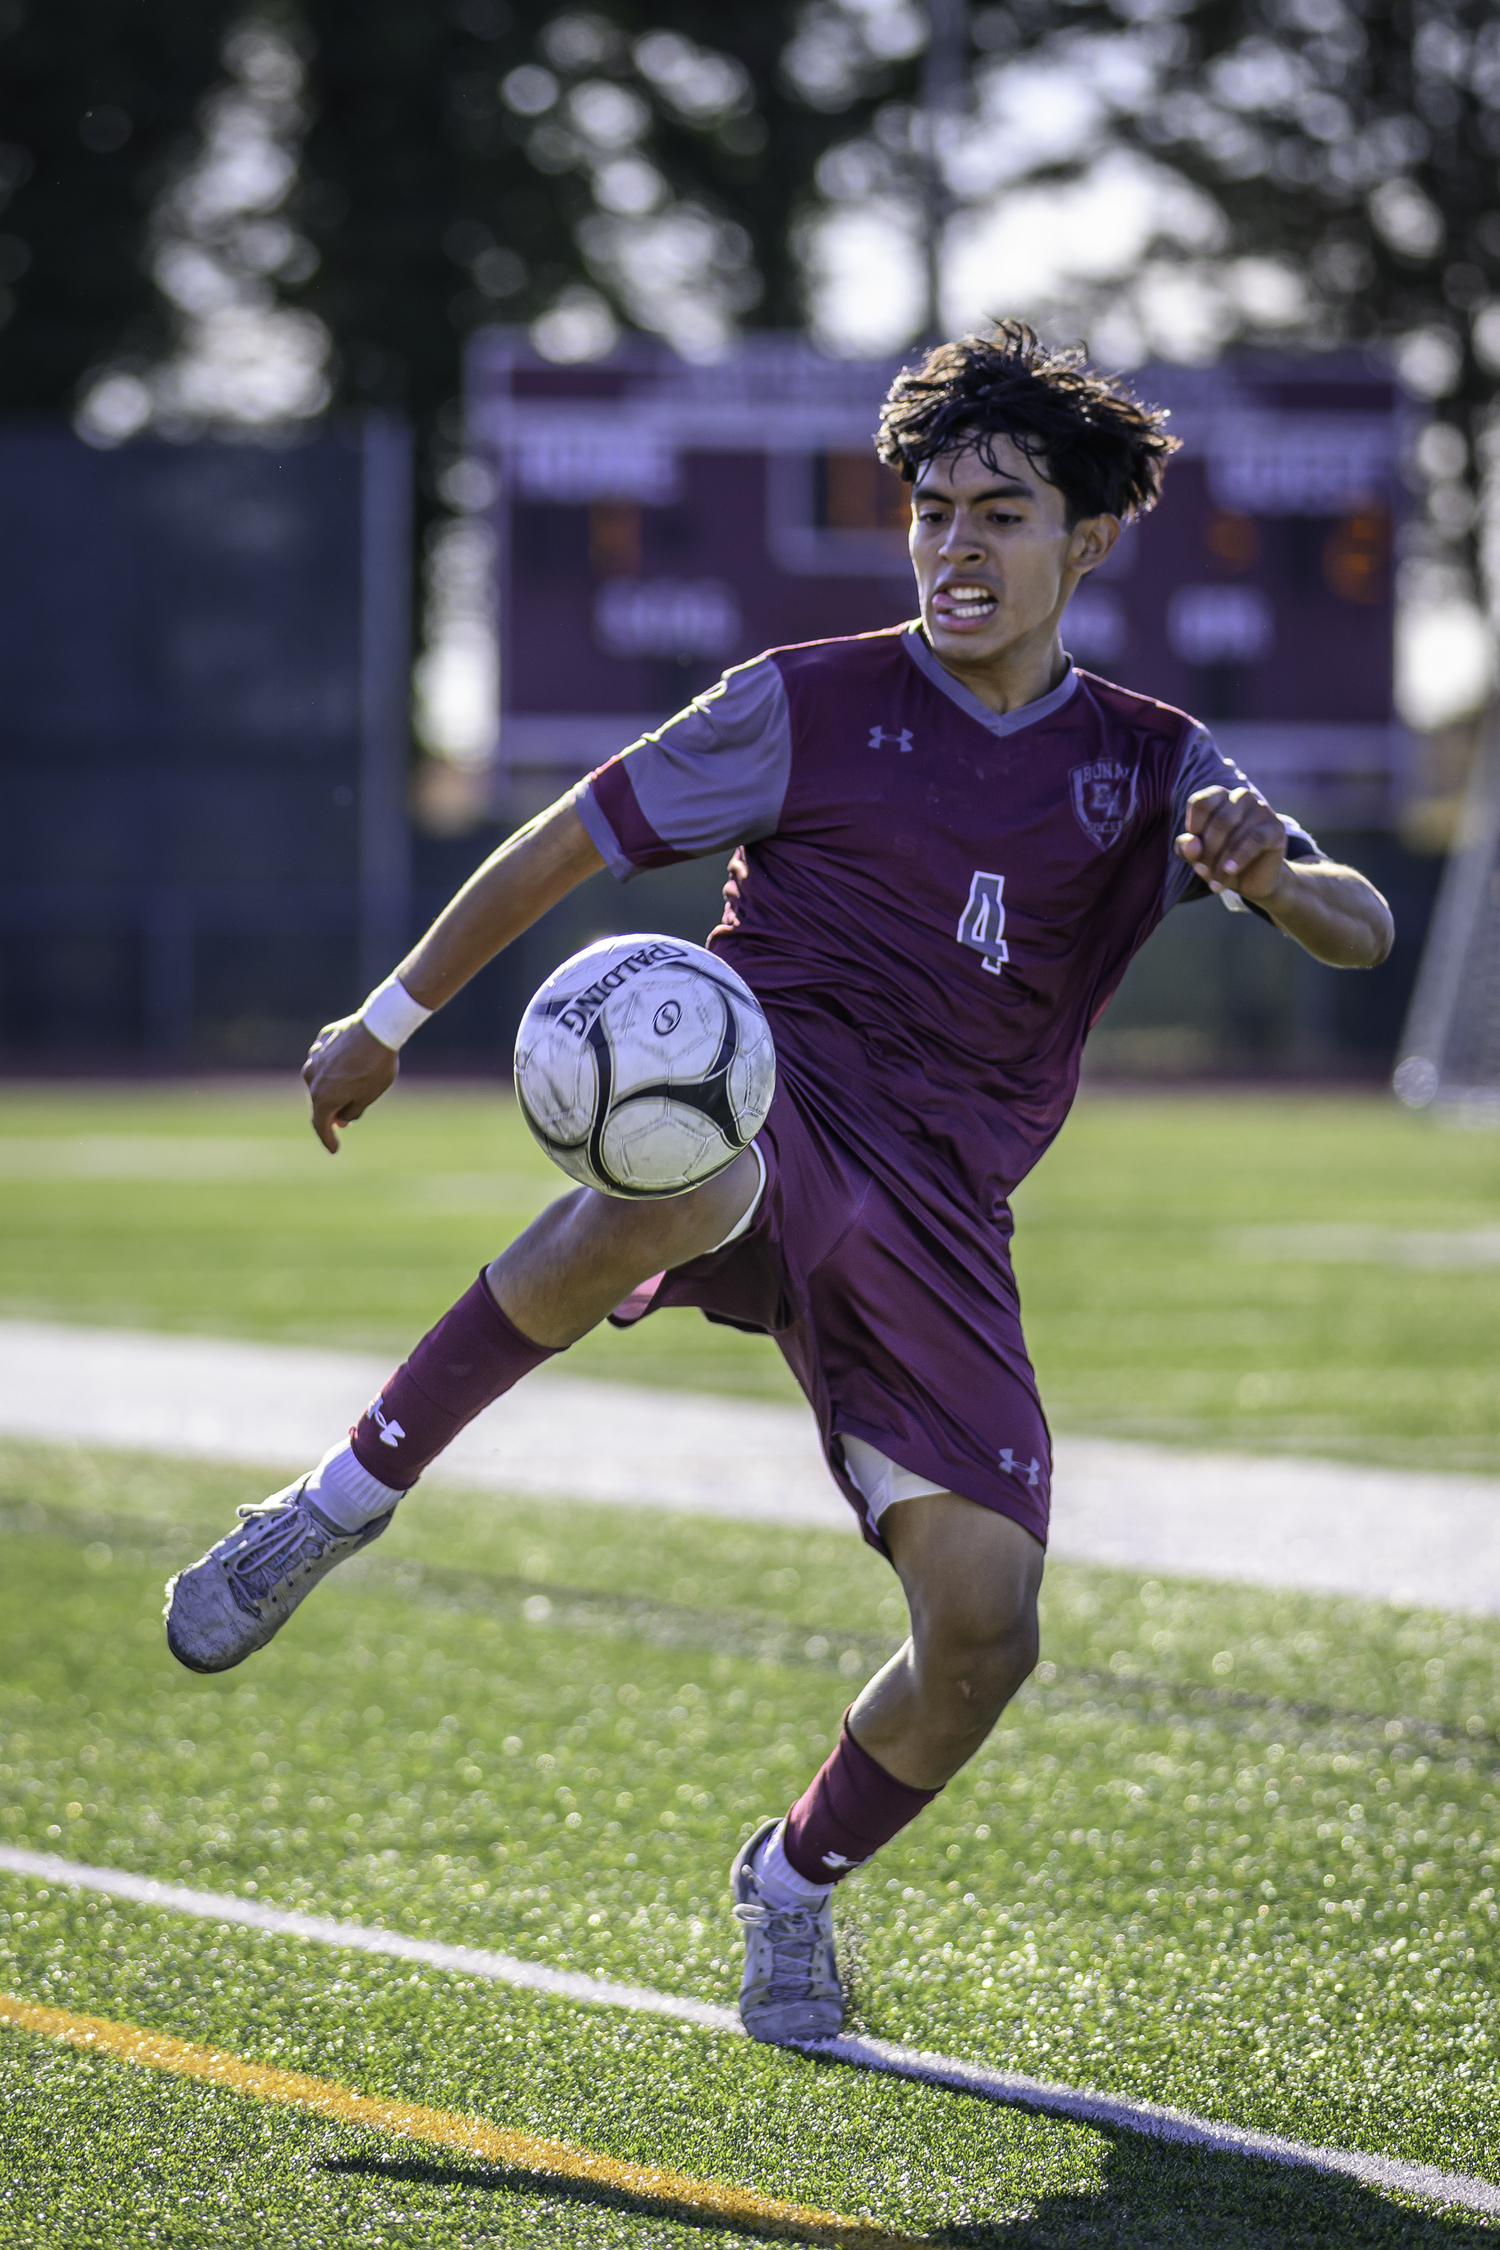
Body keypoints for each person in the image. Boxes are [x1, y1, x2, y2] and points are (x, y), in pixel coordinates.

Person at [165, 322, 1393, 2046]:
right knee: (689, 1167)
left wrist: (1273, 874)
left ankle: (793, 1880)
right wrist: (384, 1021)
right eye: (933, 509)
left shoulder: (1154, 762)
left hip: (949, 1212)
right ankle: (340, 1497)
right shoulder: (802, 700)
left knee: (988, 1628)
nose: (956, 545)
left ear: (1087, 538)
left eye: (1003, 513)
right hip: (779, 1100)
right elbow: (561, 841)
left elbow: (1363, 924)